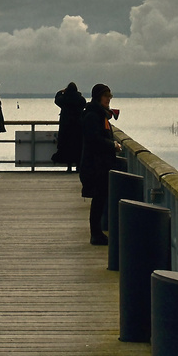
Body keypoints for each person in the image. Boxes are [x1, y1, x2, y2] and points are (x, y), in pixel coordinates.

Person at [79, 83, 120, 245]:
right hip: (94, 165)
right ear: (98, 97)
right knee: (98, 199)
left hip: (99, 164)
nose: (109, 99)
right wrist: (113, 145)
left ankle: (97, 233)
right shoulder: (93, 115)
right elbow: (93, 139)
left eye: (110, 96)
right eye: (106, 96)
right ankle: (96, 234)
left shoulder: (98, 113)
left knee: (100, 199)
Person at [53, 82, 85, 171]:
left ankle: (69, 166)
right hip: (78, 126)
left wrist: (60, 92)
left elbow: (56, 100)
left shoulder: (64, 98)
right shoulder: (80, 99)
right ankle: (78, 166)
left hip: (66, 126)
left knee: (66, 146)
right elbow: (84, 104)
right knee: (78, 146)